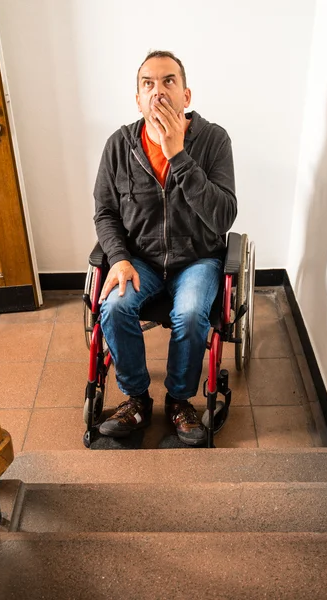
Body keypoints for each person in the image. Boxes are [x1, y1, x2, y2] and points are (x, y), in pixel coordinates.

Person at [93, 50, 237, 446]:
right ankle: (137, 399)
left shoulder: (212, 140)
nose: (158, 92)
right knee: (114, 306)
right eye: (148, 84)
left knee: (191, 314)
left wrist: (178, 156)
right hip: (141, 260)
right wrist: (119, 259)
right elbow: (104, 212)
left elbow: (224, 216)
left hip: (197, 260)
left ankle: (178, 401)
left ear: (186, 96)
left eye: (168, 81)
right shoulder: (119, 146)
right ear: (137, 99)